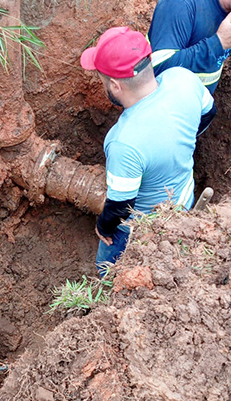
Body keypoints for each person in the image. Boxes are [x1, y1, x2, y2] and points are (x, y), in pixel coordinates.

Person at [79, 26, 216, 274]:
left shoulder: (123, 141)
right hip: (185, 201)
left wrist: (104, 227)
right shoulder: (183, 78)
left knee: (107, 269)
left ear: (115, 85)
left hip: (142, 231)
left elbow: (121, 205)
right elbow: (209, 113)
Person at [148, 0, 231, 95]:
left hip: (196, 109)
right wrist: (218, 43)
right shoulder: (181, 1)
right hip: (163, 110)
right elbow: (157, 68)